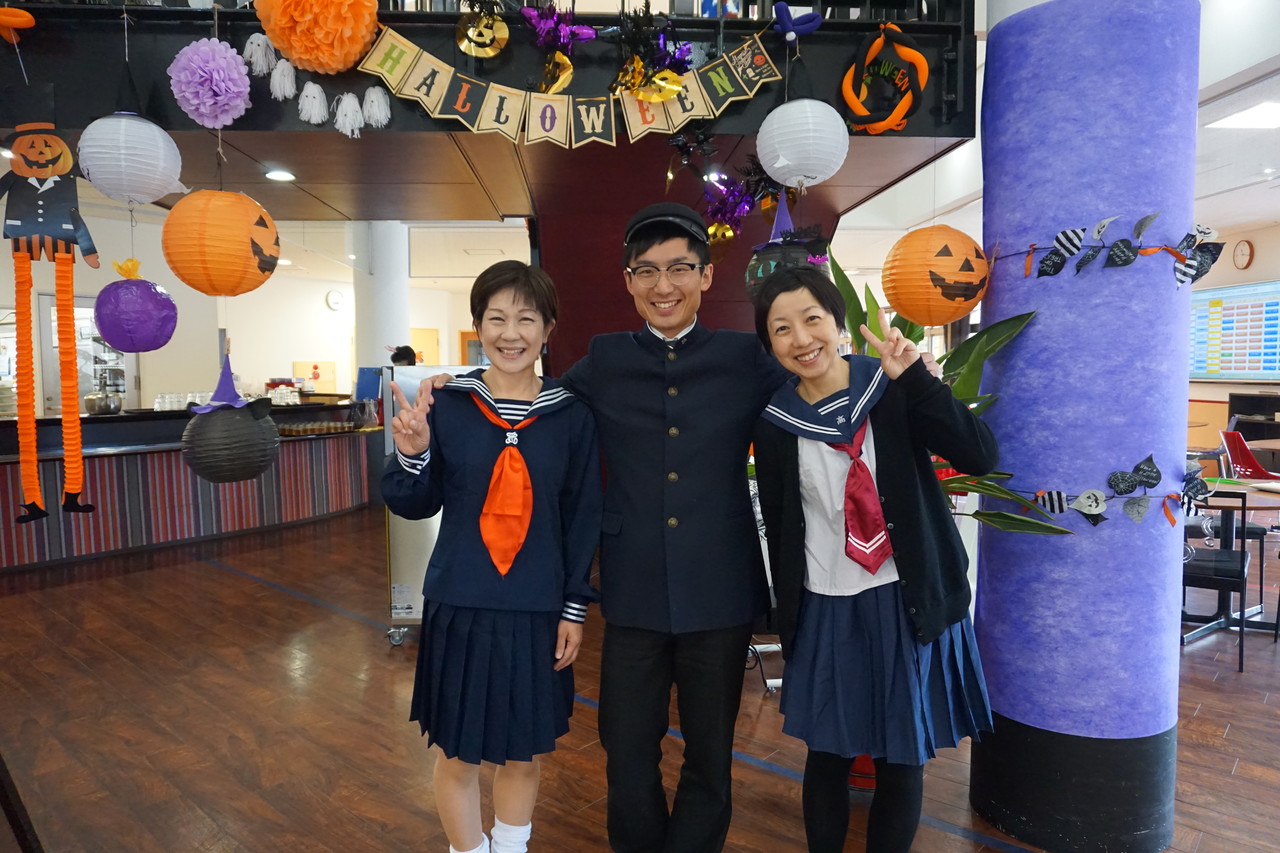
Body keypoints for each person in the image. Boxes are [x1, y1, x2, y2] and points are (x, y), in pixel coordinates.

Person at [557, 203, 792, 853]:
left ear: (706, 276)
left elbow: (815, 394)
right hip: (631, 588)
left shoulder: (744, 357)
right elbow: (541, 411)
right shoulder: (605, 358)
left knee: (710, 753)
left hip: (721, 588)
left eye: (680, 268)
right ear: (629, 281)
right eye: (648, 271)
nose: (664, 285)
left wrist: (889, 382)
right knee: (626, 745)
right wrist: (466, 393)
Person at [748, 266, 997, 853]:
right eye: (781, 329)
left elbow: (979, 456)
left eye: (811, 319)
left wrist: (920, 382)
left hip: (903, 599)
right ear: (769, 344)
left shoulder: (890, 385)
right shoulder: (776, 423)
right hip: (826, 604)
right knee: (828, 756)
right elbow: (782, 524)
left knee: (901, 757)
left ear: (838, 323)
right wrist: (785, 618)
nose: (801, 339)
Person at [382, 260, 602, 853]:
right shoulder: (448, 406)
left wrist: (574, 608)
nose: (511, 333)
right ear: (478, 326)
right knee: (458, 754)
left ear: (548, 329)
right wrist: (414, 454)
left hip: (537, 609)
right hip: (461, 603)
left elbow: (583, 518)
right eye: (496, 318)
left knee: (522, 753)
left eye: (526, 319)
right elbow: (414, 503)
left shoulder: (571, 415)